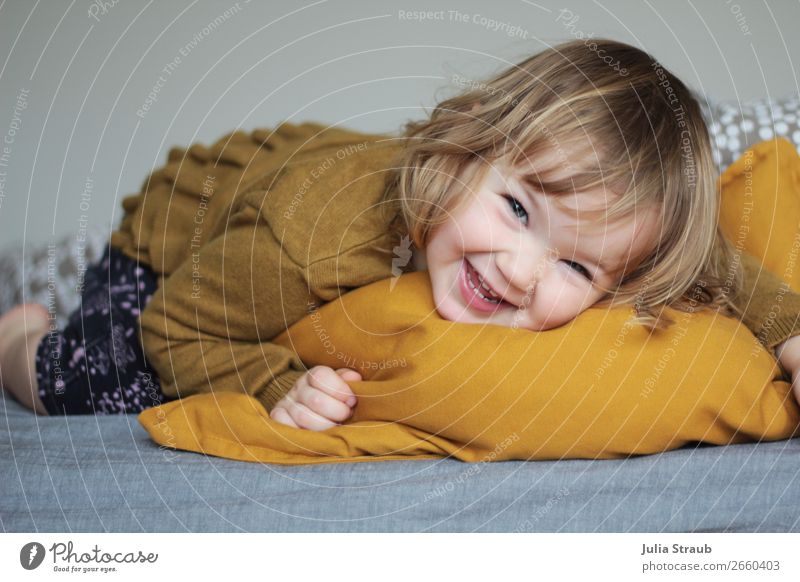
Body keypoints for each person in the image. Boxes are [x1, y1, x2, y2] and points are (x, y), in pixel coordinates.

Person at [2, 39, 800, 428]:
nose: (521, 273)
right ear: (461, 152)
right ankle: (22, 333)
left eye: (579, 267)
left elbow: (714, 264)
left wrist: (791, 335)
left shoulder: (546, 241)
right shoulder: (312, 240)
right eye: (519, 210)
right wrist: (272, 385)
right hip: (179, 229)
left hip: (289, 194)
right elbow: (176, 323)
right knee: (106, 380)